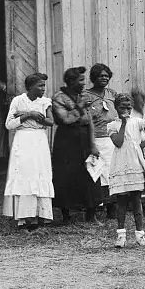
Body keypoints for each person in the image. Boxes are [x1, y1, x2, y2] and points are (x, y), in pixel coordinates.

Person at [2, 73, 55, 230]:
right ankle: (25, 218)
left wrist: (34, 116)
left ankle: (42, 216)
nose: (43, 89)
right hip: (23, 141)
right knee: (25, 175)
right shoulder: (18, 100)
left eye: (44, 85)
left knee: (40, 174)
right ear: (30, 87)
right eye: (40, 85)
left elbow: (50, 122)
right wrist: (28, 115)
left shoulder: (45, 102)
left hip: (39, 140)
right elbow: (9, 125)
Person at [107, 93, 145, 248]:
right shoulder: (112, 125)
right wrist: (123, 123)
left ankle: (140, 235)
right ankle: (121, 235)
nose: (126, 110)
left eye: (128, 107)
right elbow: (118, 142)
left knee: (136, 201)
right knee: (122, 201)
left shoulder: (137, 122)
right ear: (116, 108)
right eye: (123, 107)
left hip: (136, 163)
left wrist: (141, 145)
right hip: (121, 164)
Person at [51, 67, 96, 223]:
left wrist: (93, 144)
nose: (84, 83)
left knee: (89, 173)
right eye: (81, 80)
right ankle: (66, 215)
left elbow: (89, 121)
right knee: (65, 175)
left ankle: (91, 215)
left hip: (83, 138)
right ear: (71, 81)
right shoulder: (59, 98)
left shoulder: (83, 95)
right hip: (67, 140)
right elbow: (65, 120)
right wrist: (80, 107)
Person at [86, 63, 118, 216]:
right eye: (100, 75)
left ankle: (111, 207)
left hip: (111, 139)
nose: (104, 78)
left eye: (106, 75)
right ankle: (93, 209)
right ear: (94, 78)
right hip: (96, 139)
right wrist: (91, 143)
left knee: (111, 173)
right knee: (96, 172)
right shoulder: (86, 95)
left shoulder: (112, 94)